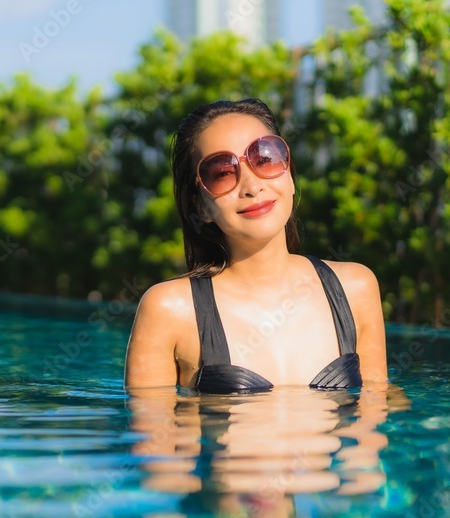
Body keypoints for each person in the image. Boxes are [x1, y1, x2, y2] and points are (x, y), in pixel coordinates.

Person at [124, 98, 388, 394]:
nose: (252, 186)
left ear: (289, 174)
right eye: (222, 173)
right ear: (201, 206)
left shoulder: (355, 288)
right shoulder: (170, 309)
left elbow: (375, 418)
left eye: (265, 159)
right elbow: (151, 433)